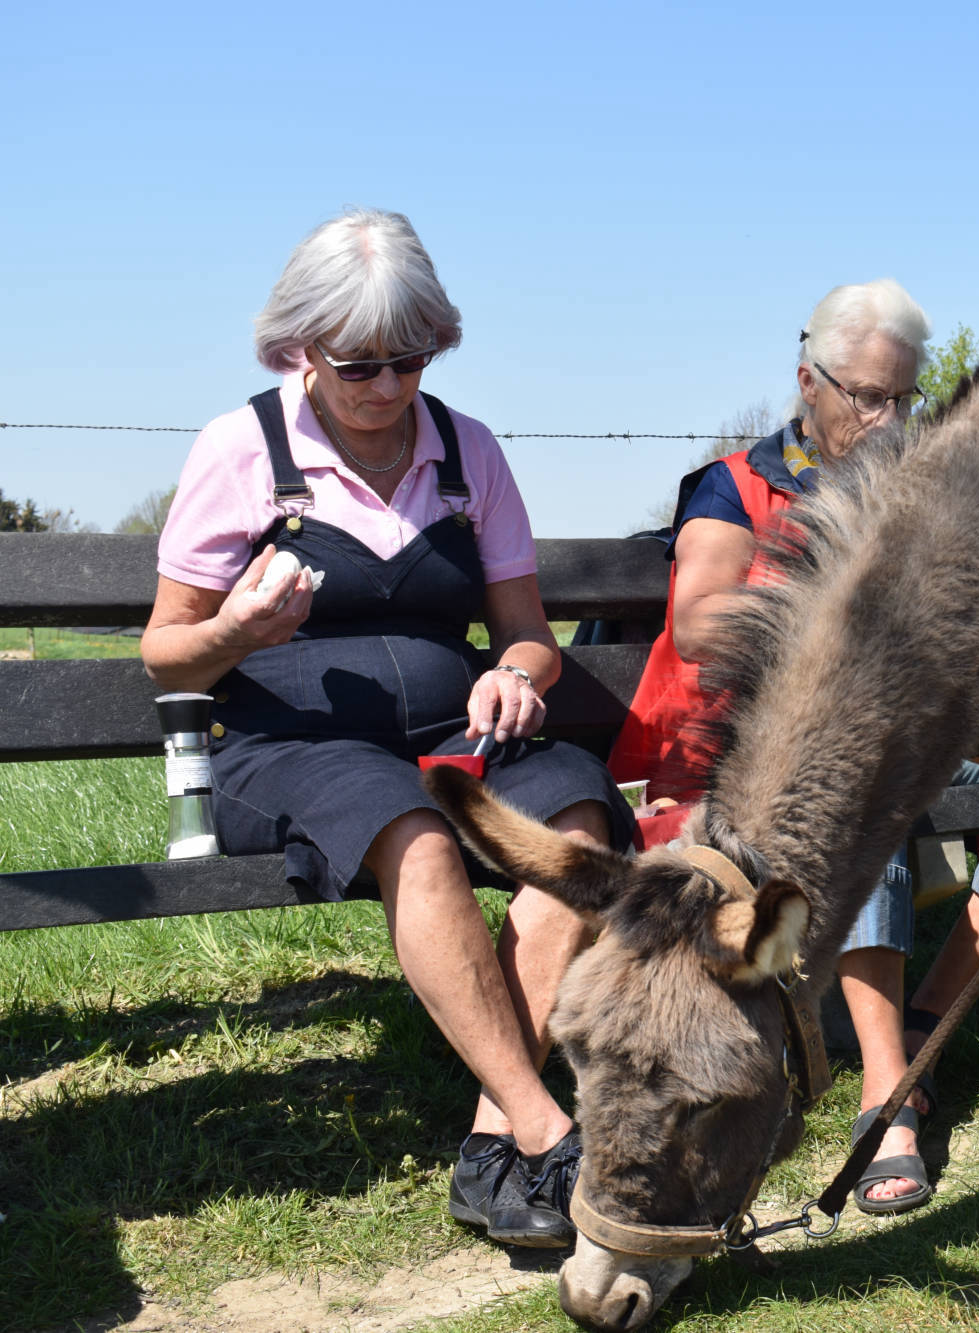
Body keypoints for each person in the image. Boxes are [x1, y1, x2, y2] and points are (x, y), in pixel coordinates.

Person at [141, 209, 636, 1250]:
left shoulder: (468, 452)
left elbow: (529, 633)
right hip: (289, 746)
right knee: (412, 830)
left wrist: (514, 671)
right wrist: (236, 625)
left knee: (579, 820)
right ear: (301, 347)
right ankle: (549, 1129)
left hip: (458, 732)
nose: (386, 387)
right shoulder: (241, 450)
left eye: (408, 361)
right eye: (358, 364)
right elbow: (164, 651)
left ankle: (492, 1138)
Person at [607, 278, 979, 1215]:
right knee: (856, 804)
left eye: (906, 398)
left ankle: (929, 1009)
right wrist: (834, 614)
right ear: (810, 381)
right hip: (745, 765)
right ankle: (888, 1098)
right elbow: (693, 623)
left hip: (910, 735)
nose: (888, 421)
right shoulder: (739, 484)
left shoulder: (916, 493)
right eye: (868, 397)